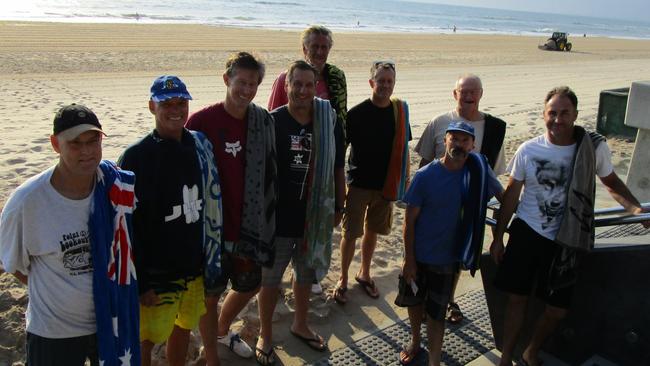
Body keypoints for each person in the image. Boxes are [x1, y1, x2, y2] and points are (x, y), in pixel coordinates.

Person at [490, 86, 650, 366]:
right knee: (516, 301)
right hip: (527, 233)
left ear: (575, 114)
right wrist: (498, 238)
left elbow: (611, 183)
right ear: (543, 115)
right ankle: (506, 358)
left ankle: (531, 350)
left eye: (565, 113)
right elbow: (512, 194)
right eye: (552, 113)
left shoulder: (591, 147)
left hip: (567, 239)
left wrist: (636, 209)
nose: (558, 119)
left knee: (557, 310)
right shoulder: (529, 150)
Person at [0, 104, 140, 366]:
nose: (86, 151)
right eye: (75, 143)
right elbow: (14, 265)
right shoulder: (27, 202)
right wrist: (59, 293)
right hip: (54, 332)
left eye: (93, 141)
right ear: (56, 144)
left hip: (110, 322)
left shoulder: (114, 187)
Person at [120, 76, 222, 366]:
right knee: (146, 338)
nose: (176, 109)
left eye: (181, 102)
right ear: (152, 106)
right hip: (157, 272)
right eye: (167, 103)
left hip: (193, 266)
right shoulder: (136, 157)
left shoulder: (199, 146)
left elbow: (211, 203)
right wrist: (141, 282)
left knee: (184, 327)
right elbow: (128, 226)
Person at [186, 52, 277, 363]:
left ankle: (223, 330)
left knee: (250, 285)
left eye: (253, 84)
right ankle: (211, 354)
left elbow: (272, 174)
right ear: (227, 80)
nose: (247, 90)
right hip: (211, 232)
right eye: (241, 82)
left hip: (249, 227)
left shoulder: (263, 121)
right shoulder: (200, 122)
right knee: (209, 296)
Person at [255, 60, 345, 365]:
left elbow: (337, 166)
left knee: (306, 275)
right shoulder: (272, 121)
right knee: (270, 280)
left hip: (314, 216)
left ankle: (300, 323)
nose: (304, 91)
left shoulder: (327, 118)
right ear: (286, 86)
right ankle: (265, 334)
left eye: (309, 85)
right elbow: (259, 173)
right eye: (298, 84)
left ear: (315, 86)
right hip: (278, 220)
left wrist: (339, 205)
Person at [397, 121, 503, 366]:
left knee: (437, 314)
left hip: (448, 258)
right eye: (453, 138)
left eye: (465, 140)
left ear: (473, 145)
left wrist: (500, 236)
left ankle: (434, 360)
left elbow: (503, 198)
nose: (459, 144)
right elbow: (408, 222)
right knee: (414, 302)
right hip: (419, 255)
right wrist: (409, 259)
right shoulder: (426, 176)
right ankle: (415, 341)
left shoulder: (478, 171)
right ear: (444, 141)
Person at [414, 73, 507, 324]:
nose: (467, 96)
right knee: (426, 256)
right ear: (454, 94)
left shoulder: (494, 128)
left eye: (472, 92)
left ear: (480, 94)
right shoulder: (439, 122)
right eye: (462, 91)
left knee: (456, 259)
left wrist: (504, 221)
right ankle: (424, 303)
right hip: (434, 206)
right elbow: (423, 162)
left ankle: (449, 300)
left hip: (469, 213)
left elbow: (494, 178)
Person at [268, 25, 347, 294]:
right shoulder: (285, 79)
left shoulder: (336, 79)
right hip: (285, 194)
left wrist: (339, 203)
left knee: (305, 267)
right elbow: (275, 123)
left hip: (319, 185)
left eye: (325, 46)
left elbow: (340, 125)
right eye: (315, 46)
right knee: (272, 272)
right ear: (305, 48)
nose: (320, 51)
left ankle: (303, 297)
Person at [333, 60, 411, 304]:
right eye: (381, 81)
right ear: (371, 83)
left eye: (389, 81)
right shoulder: (356, 114)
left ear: (394, 83)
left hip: (384, 186)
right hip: (357, 184)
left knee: (373, 231)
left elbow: (404, 151)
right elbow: (340, 151)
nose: (385, 85)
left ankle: (364, 272)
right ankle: (343, 278)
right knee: (351, 232)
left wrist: (403, 183)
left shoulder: (399, 113)